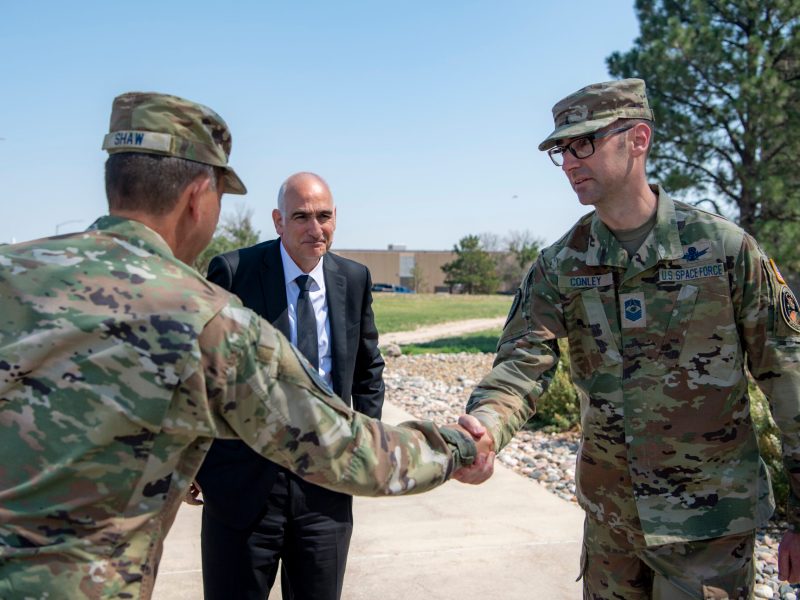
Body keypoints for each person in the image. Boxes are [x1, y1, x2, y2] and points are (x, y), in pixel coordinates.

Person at [0, 91, 492, 600]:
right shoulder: (206, 318)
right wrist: (455, 447)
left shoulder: (10, 274)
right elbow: (343, 445)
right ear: (198, 196)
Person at [465, 78, 800, 598]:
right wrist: (486, 426)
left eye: (584, 143)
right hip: (612, 526)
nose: (570, 162)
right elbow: (523, 364)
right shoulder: (560, 264)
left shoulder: (724, 251)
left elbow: (788, 379)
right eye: (561, 150)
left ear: (638, 139)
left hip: (709, 530)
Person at [196, 172, 384, 600]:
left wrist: (364, 445)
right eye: (301, 217)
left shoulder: (354, 279)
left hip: (326, 488)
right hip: (244, 489)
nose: (314, 229)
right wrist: (200, 462)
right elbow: (203, 375)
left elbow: (367, 370)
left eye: (323, 216)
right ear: (279, 221)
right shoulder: (234, 272)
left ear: (336, 218)